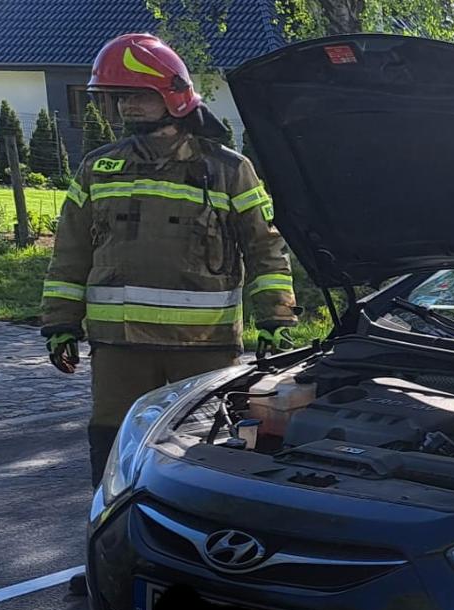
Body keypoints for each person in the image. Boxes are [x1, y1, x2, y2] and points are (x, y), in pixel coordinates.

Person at [40, 33, 298, 486]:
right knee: (114, 448)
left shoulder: (228, 169)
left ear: (173, 97)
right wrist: (60, 322)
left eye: (138, 96)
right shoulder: (100, 168)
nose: (126, 108)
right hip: (119, 349)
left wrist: (276, 318)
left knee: (199, 449)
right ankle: (116, 531)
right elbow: (71, 252)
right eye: (118, 98)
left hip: (202, 349)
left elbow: (264, 247)